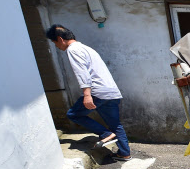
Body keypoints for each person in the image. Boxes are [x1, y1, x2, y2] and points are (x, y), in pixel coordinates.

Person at [45, 25, 131, 161]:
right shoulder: (86, 48)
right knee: (115, 124)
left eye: (55, 42)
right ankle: (124, 153)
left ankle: (105, 134)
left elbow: (82, 73)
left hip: (97, 92)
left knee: (73, 114)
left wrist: (87, 94)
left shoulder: (73, 50)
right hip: (111, 91)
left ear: (60, 39)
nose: (56, 46)